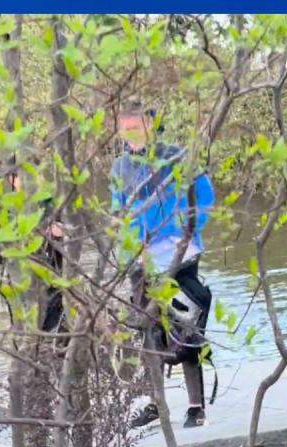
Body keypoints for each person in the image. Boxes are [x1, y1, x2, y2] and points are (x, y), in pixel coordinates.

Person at [111, 100, 215, 429]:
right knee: (148, 331)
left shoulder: (179, 157)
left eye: (135, 127)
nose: (130, 135)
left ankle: (196, 407)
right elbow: (118, 210)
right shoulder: (120, 168)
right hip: (141, 261)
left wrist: (183, 234)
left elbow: (205, 196)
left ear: (151, 124)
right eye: (124, 129)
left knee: (186, 326)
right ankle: (156, 404)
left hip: (178, 256)